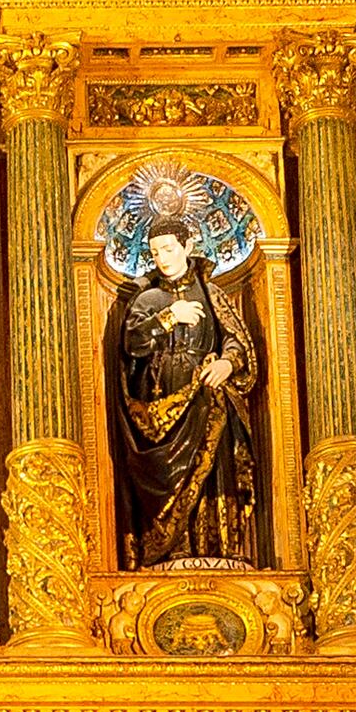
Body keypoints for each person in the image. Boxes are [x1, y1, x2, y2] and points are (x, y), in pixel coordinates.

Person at [105, 189, 269, 568]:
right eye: (156, 251)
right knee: (166, 480)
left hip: (207, 398)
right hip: (160, 407)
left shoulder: (211, 294)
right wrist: (169, 317)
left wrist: (228, 363)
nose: (162, 258)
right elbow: (132, 344)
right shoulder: (145, 300)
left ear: (187, 245)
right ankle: (171, 552)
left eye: (168, 248)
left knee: (214, 471)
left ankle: (217, 549)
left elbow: (237, 340)